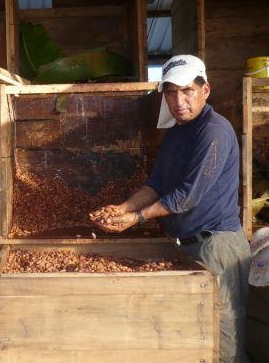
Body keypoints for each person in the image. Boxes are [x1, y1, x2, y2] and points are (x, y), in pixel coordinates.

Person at [89, 54, 251, 363]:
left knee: (222, 336)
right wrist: (121, 208)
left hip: (216, 245)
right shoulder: (177, 133)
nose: (179, 100)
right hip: (188, 246)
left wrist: (136, 218)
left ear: (206, 90)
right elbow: (158, 183)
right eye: (171, 92)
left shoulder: (213, 131)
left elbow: (187, 196)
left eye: (187, 90)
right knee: (194, 336)